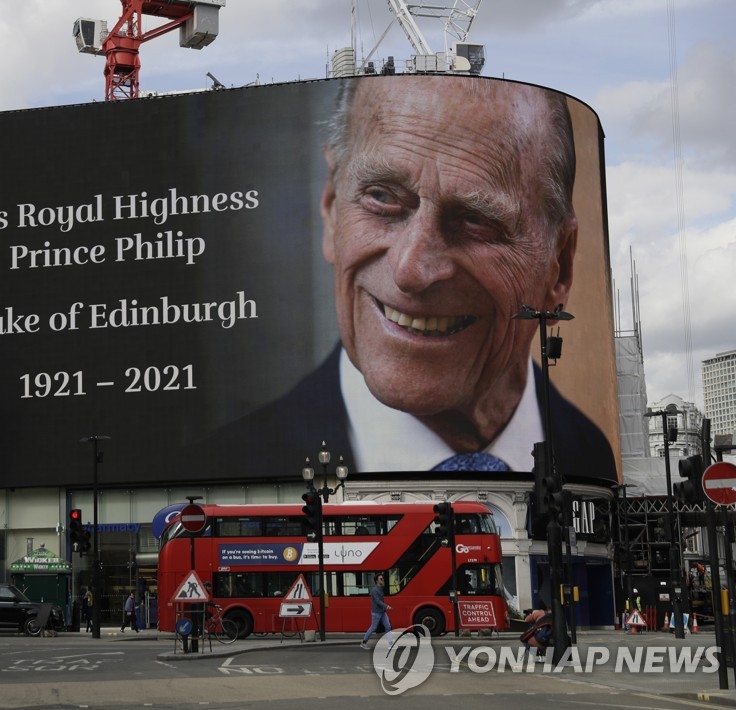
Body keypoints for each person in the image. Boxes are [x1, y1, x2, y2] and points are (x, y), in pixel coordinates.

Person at [193, 75, 615, 483]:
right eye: (381, 197)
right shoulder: (218, 467)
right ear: (331, 206)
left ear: (560, 265)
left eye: (474, 221)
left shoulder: (593, 459)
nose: (410, 270)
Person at [360, 573, 392, 649]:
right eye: (381, 579)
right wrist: (386, 606)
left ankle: (391, 644)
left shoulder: (381, 588)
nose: (383, 580)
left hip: (382, 612)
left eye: (382, 578)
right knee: (373, 627)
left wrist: (385, 608)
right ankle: (364, 642)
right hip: (376, 613)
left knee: (388, 626)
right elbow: (378, 601)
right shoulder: (374, 590)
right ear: (377, 581)